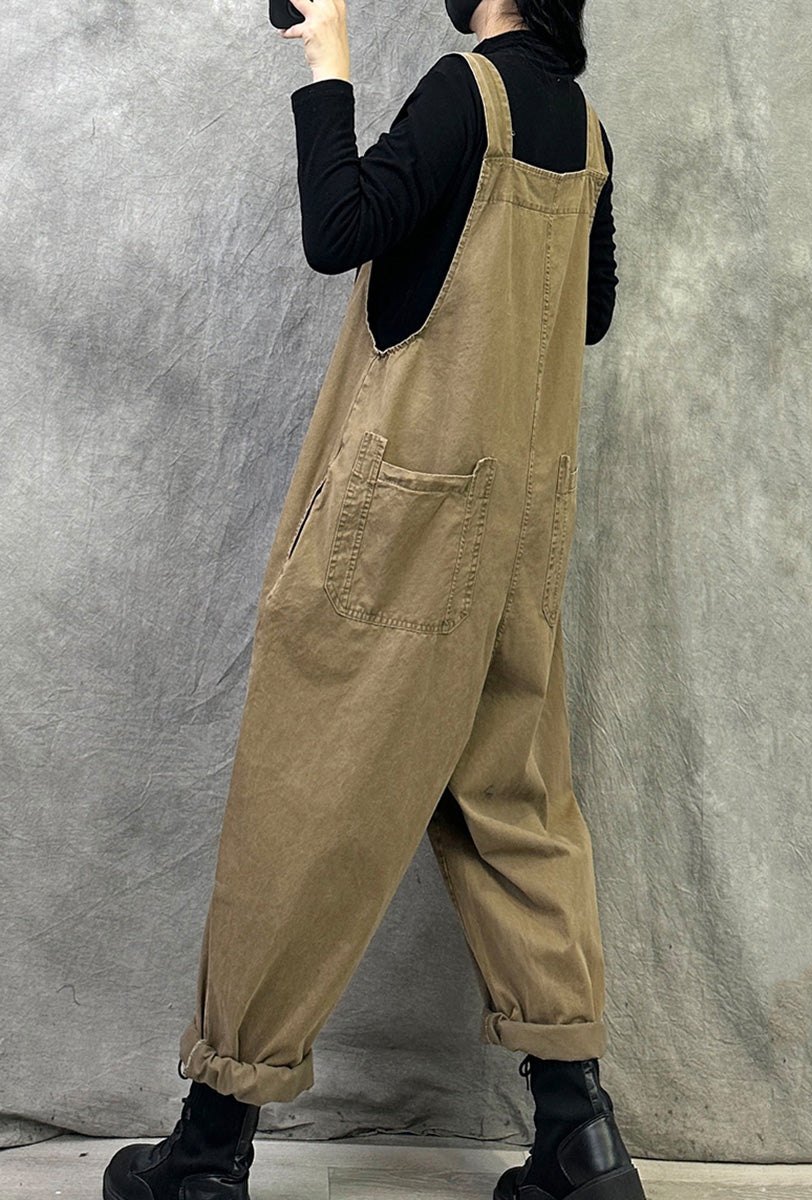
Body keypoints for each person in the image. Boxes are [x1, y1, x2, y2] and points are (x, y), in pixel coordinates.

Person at [102, 1, 646, 1198]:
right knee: (519, 810)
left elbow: (337, 229)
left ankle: (207, 1151)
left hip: (402, 531)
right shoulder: (587, 130)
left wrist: (328, 61)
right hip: (519, 539)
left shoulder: (466, 91)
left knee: (306, 802)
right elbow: (589, 315)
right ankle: (582, 1138)